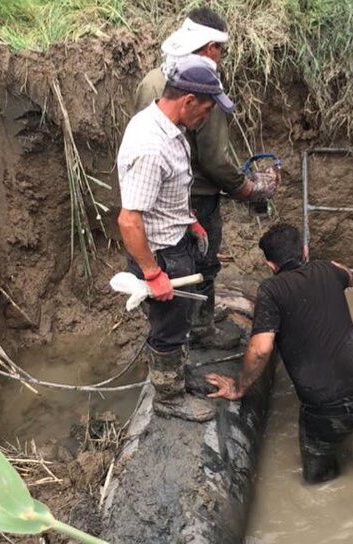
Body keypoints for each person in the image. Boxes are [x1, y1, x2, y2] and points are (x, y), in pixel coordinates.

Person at [135, 7, 280, 350]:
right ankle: (198, 333)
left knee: (176, 265)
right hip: (197, 193)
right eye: (221, 50)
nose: (222, 57)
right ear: (210, 48)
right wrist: (248, 188)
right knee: (201, 263)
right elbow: (214, 159)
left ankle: (183, 328)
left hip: (162, 193)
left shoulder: (152, 80)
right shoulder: (202, 87)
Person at [205, 224, 353, 483]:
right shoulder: (327, 270)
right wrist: (331, 266)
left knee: (318, 483)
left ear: (270, 264)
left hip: (329, 413)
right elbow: (348, 275)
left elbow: (261, 349)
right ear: (304, 250)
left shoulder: (271, 291)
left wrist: (239, 387)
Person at [117, 55, 235, 422]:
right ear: (187, 101)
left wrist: (191, 222)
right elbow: (130, 220)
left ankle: (179, 380)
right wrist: (153, 273)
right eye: (206, 110)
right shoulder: (151, 146)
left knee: (180, 321)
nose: (207, 117)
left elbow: (167, 194)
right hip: (160, 253)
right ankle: (169, 398)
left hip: (174, 241)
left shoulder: (169, 128)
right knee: (168, 329)